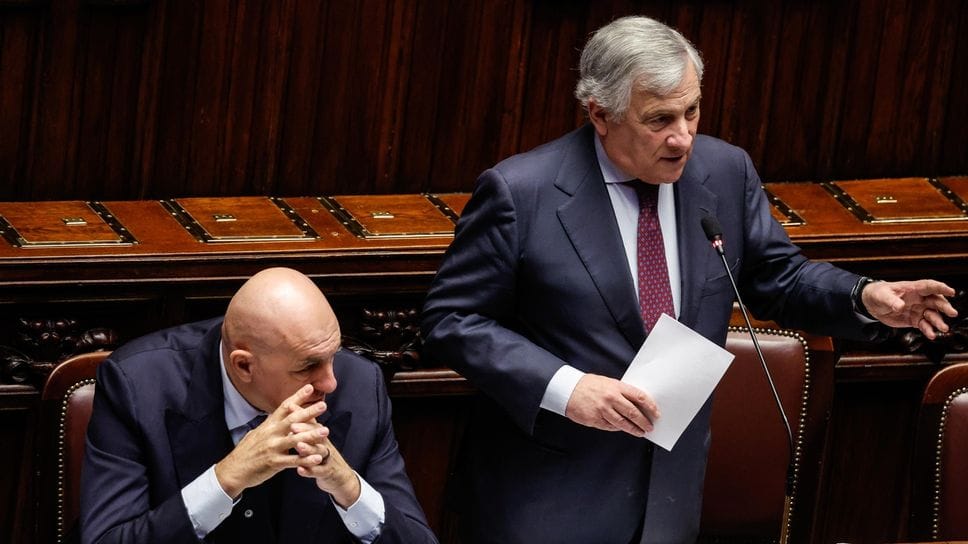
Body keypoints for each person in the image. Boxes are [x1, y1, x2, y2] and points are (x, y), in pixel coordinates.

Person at [420, 15, 957, 544]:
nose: (682, 138)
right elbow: (451, 319)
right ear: (599, 114)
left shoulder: (724, 172)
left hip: (670, 498)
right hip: (549, 499)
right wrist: (567, 387)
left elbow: (777, 277)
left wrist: (864, 297)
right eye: (659, 120)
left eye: (692, 111)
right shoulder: (522, 193)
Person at [80, 267, 438, 544]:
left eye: (334, 354)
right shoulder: (138, 387)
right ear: (244, 365)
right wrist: (226, 480)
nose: (331, 382)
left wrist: (348, 488)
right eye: (308, 366)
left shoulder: (360, 387)